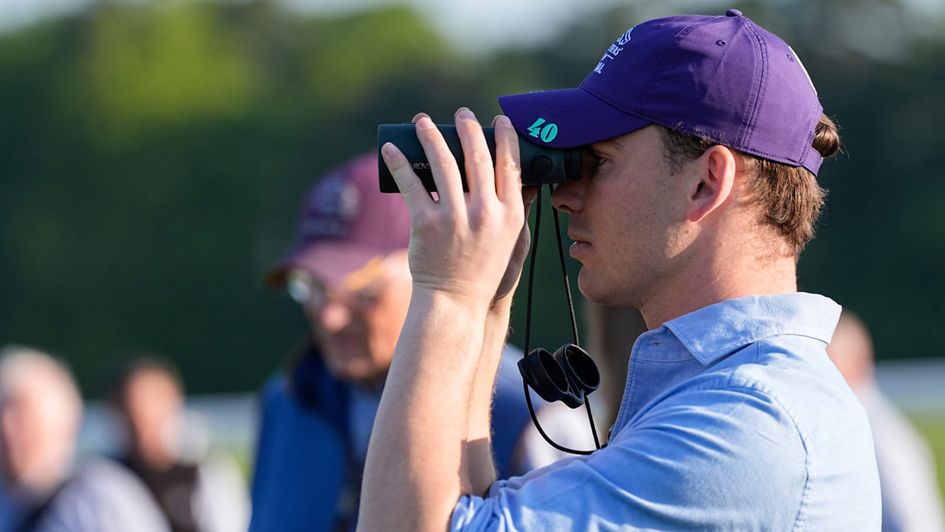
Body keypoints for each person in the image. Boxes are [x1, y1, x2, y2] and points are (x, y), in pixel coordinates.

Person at [362, 9, 881, 531]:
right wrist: (488, 302)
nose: (564, 196)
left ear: (706, 182)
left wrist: (449, 293)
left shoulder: (746, 425)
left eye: (598, 161)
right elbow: (469, 517)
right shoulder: (738, 398)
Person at [249, 153, 563, 532]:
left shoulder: (532, 413)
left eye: (361, 287)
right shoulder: (287, 400)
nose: (330, 317)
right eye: (312, 285)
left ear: (434, 261)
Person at [0, 345, 168, 532]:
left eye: (21, 416)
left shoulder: (99, 499)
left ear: (60, 420)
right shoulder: (9, 503)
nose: (7, 428)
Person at [828, 311, 945, 532]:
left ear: (855, 361)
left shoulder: (879, 439)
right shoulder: (866, 427)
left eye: (829, 360)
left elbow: (915, 525)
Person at [107, 356, 248, 532]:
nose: (141, 420)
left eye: (153, 402)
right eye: (132, 407)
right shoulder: (102, 483)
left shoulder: (209, 474)